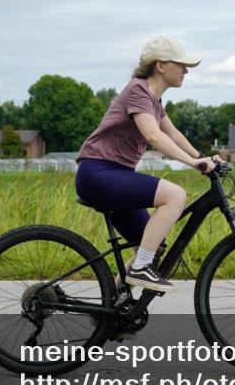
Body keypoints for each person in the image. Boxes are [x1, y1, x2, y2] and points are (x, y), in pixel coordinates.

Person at [75, 35, 220, 292]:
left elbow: (173, 134)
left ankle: (115, 307)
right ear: (160, 65)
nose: (185, 70)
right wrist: (193, 163)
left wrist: (202, 157)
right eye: (181, 64)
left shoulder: (154, 99)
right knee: (175, 195)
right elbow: (153, 135)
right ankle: (141, 270)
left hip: (113, 175)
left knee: (153, 247)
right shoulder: (138, 90)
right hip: (98, 173)